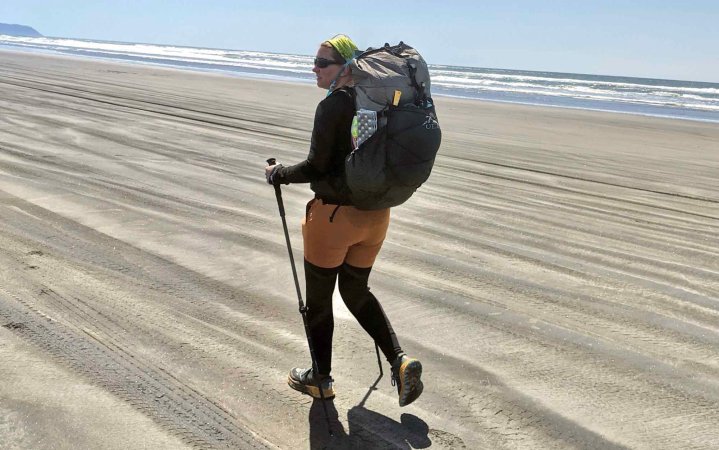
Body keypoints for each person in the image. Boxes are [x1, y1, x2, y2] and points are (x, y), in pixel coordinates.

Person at [264, 34, 423, 407]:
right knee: (355, 291)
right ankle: (400, 361)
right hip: (375, 216)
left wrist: (278, 173)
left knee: (318, 302)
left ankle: (320, 379)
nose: (314, 69)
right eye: (315, 61)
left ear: (346, 68)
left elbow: (317, 166)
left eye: (323, 63)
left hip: (334, 219)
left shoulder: (334, 106)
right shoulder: (380, 104)